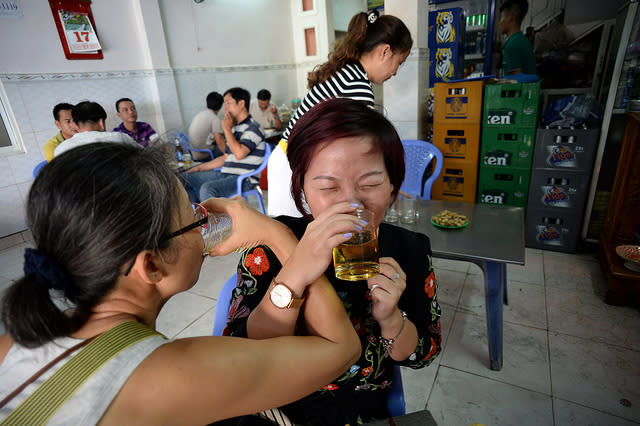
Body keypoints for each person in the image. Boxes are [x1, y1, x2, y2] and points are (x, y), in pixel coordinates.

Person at [0, 142, 361, 424]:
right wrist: (276, 234)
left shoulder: (13, 344)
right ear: (152, 265)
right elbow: (342, 349)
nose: (205, 221)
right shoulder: (172, 374)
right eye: (193, 218)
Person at [224, 98, 442, 426]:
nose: (351, 203)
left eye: (370, 184)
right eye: (327, 186)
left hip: (364, 411)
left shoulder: (409, 249)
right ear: (303, 193)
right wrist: (294, 274)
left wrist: (392, 320)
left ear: (393, 191)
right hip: (281, 409)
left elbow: (423, 353)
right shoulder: (269, 245)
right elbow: (236, 356)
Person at [268, 9, 413, 218]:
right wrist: (379, 185)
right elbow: (362, 151)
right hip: (295, 164)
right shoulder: (358, 86)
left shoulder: (348, 71)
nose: (396, 71)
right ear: (385, 51)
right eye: (398, 62)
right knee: (301, 236)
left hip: (289, 159)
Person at [183, 87, 266, 202]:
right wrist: (198, 168)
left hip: (244, 179)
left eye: (229, 103)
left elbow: (239, 154)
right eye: (225, 103)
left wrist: (226, 129)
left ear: (241, 103)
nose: (225, 108)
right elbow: (225, 157)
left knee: (207, 189)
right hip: (226, 174)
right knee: (184, 178)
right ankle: (195, 216)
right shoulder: (235, 128)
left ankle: (217, 220)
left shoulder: (254, 128)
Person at [54, 101, 137, 157]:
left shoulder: (60, 150)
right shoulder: (120, 138)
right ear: (101, 122)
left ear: (75, 125)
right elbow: (143, 156)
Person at [498, 0, 536, 76]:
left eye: (501, 17)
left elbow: (515, 83)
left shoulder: (512, 45)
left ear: (510, 18)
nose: (499, 23)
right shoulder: (522, 40)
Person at [188, 91, 226, 160]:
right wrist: (228, 155)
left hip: (193, 151)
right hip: (203, 154)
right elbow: (220, 142)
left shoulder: (201, 114)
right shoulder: (214, 119)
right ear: (220, 106)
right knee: (228, 144)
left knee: (222, 136)